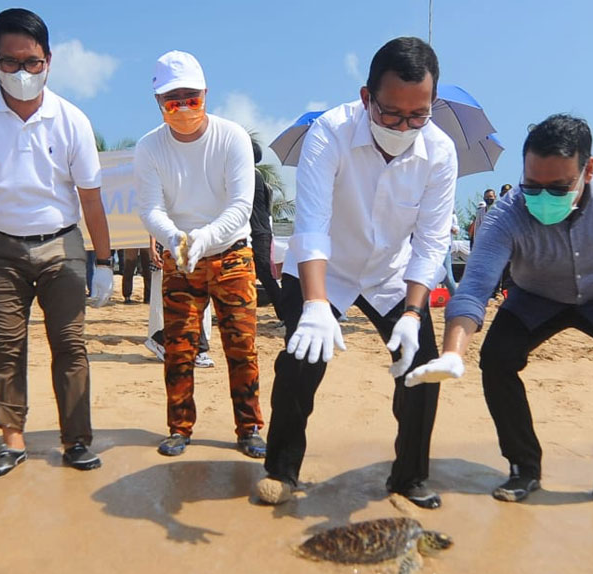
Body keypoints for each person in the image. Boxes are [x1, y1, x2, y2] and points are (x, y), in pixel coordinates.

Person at [406, 114, 593, 517]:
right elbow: (475, 287)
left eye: (557, 188)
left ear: (588, 169)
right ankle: (524, 466)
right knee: (497, 359)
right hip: (534, 296)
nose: (542, 198)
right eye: (531, 186)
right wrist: (454, 353)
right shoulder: (506, 215)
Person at [252, 37, 457, 509]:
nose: (404, 126)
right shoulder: (330, 132)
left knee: (421, 370)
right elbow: (312, 225)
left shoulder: (441, 153)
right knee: (301, 363)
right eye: (391, 114)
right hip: (328, 269)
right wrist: (317, 306)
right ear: (367, 98)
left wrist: (412, 312)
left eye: (418, 115)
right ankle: (282, 469)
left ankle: (408, 477)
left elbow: (430, 241)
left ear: (432, 105)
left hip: (391, 275)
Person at [0, 8, 114, 476]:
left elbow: (91, 198)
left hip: (62, 245)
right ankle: (12, 440)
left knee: (70, 346)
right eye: (11, 63)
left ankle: (77, 440)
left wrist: (104, 261)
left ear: (49, 60)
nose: (23, 73)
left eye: (33, 63)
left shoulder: (72, 119)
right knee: (6, 346)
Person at [136, 50, 266, 458]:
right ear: (158, 102)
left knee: (241, 346)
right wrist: (176, 240)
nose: (184, 108)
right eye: (173, 101)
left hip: (231, 255)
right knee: (179, 347)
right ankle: (179, 426)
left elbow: (240, 206)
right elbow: (150, 209)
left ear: (206, 94)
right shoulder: (149, 148)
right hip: (181, 257)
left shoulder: (232, 138)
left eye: (191, 98)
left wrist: (203, 239)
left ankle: (249, 428)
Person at [144, 236, 216, 367]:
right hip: (178, 249)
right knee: (193, 299)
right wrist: (153, 247)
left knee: (197, 300)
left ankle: (162, 339)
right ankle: (199, 349)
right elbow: (156, 217)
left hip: (201, 248)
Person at [249, 140, 284, 321]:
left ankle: (285, 315)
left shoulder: (251, 176)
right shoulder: (254, 175)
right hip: (257, 232)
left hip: (258, 232)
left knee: (265, 275)